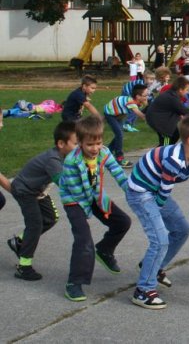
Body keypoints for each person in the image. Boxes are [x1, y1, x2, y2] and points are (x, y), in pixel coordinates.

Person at [126, 114, 189, 309]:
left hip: (157, 191)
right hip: (142, 194)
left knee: (182, 230)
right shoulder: (174, 161)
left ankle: (153, 267)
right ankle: (142, 291)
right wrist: (155, 215)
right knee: (159, 241)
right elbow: (164, 192)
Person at [59, 116, 132, 302]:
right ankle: (74, 283)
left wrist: (132, 191)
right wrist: (87, 214)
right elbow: (77, 191)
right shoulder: (71, 161)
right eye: (90, 145)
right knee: (84, 240)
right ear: (80, 143)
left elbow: (117, 172)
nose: (95, 148)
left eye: (98, 143)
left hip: (94, 194)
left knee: (123, 222)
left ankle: (105, 250)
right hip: (74, 200)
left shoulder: (104, 153)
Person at [7, 121, 78, 281]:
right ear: (61, 143)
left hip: (37, 190)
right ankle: (23, 266)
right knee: (35, 224)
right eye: (76, 143)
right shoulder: (53, 160)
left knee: (51, 218)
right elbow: (64, 184)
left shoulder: (66, 156)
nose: (79, 147)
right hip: (24, 191)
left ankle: (19, 242)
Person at [103, 84, 148, 167]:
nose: (147, 97)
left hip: (119, 115)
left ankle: (106, 153)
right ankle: (119, 158)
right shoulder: (130, 102)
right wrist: (147, 119)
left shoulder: (138, 102)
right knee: (119, 134)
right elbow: (139, 113)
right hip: (110, 114)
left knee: (119, 134)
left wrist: (146, 103)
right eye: (145, 95)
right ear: (138, 96)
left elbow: (146, 108)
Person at [146, 76, 189, 146]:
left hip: (163, 118)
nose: (187, 92)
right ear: (180, 89)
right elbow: (184, 111)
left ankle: (166, 150)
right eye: (187, 90)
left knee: (176, 133)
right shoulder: (172, 97)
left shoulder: (172, 94)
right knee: (166, 142)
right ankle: (161, 153)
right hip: (160, 121)